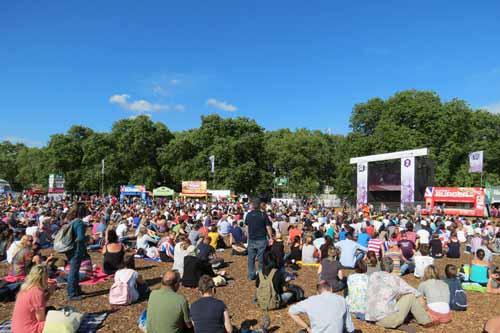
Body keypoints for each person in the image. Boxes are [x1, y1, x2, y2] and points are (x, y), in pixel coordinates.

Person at [366, 257, 432, 331]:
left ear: (381, 266)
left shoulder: (372, 276)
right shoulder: (394, 279)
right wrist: (421, 298)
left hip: (371, 317)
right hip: (386, 319)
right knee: (411, 296)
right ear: (392, 267)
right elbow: (411, 290)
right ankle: (426, 321)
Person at [288, 280, 355, 333]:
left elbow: (291, 311)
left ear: (317, 292)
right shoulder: (341, 300)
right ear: (331, 289)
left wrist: (307, 327)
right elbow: (350, 328)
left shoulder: (311, 300)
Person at [11, 265, 52, 333]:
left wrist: (50, 292)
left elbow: (37, 304)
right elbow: (41, 319)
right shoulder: (37, 292)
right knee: (57, 320)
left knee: (50, 310)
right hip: (28, 330)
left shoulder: (26, 288)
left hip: (16, 328)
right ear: (43, 278)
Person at [66, 202, 89, 301]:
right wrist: (88, 238)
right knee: (74, 271)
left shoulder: (72, 221)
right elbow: (80, 238)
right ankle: (72, 293)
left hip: (71, 249)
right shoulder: (79, 222)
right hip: (76, 249)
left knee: (74, 270)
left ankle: (76, 290)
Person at [246, 198, 273, 280]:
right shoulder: (263, 215)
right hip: (261, 239)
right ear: (259, 205)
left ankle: (251, 275)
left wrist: (248, 237)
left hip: (252, 239)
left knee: (251, 258)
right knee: (261, 258)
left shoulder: (249, 215)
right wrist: (271, 237)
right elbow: (268, 227)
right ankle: (260, 275)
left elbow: (247, 227)